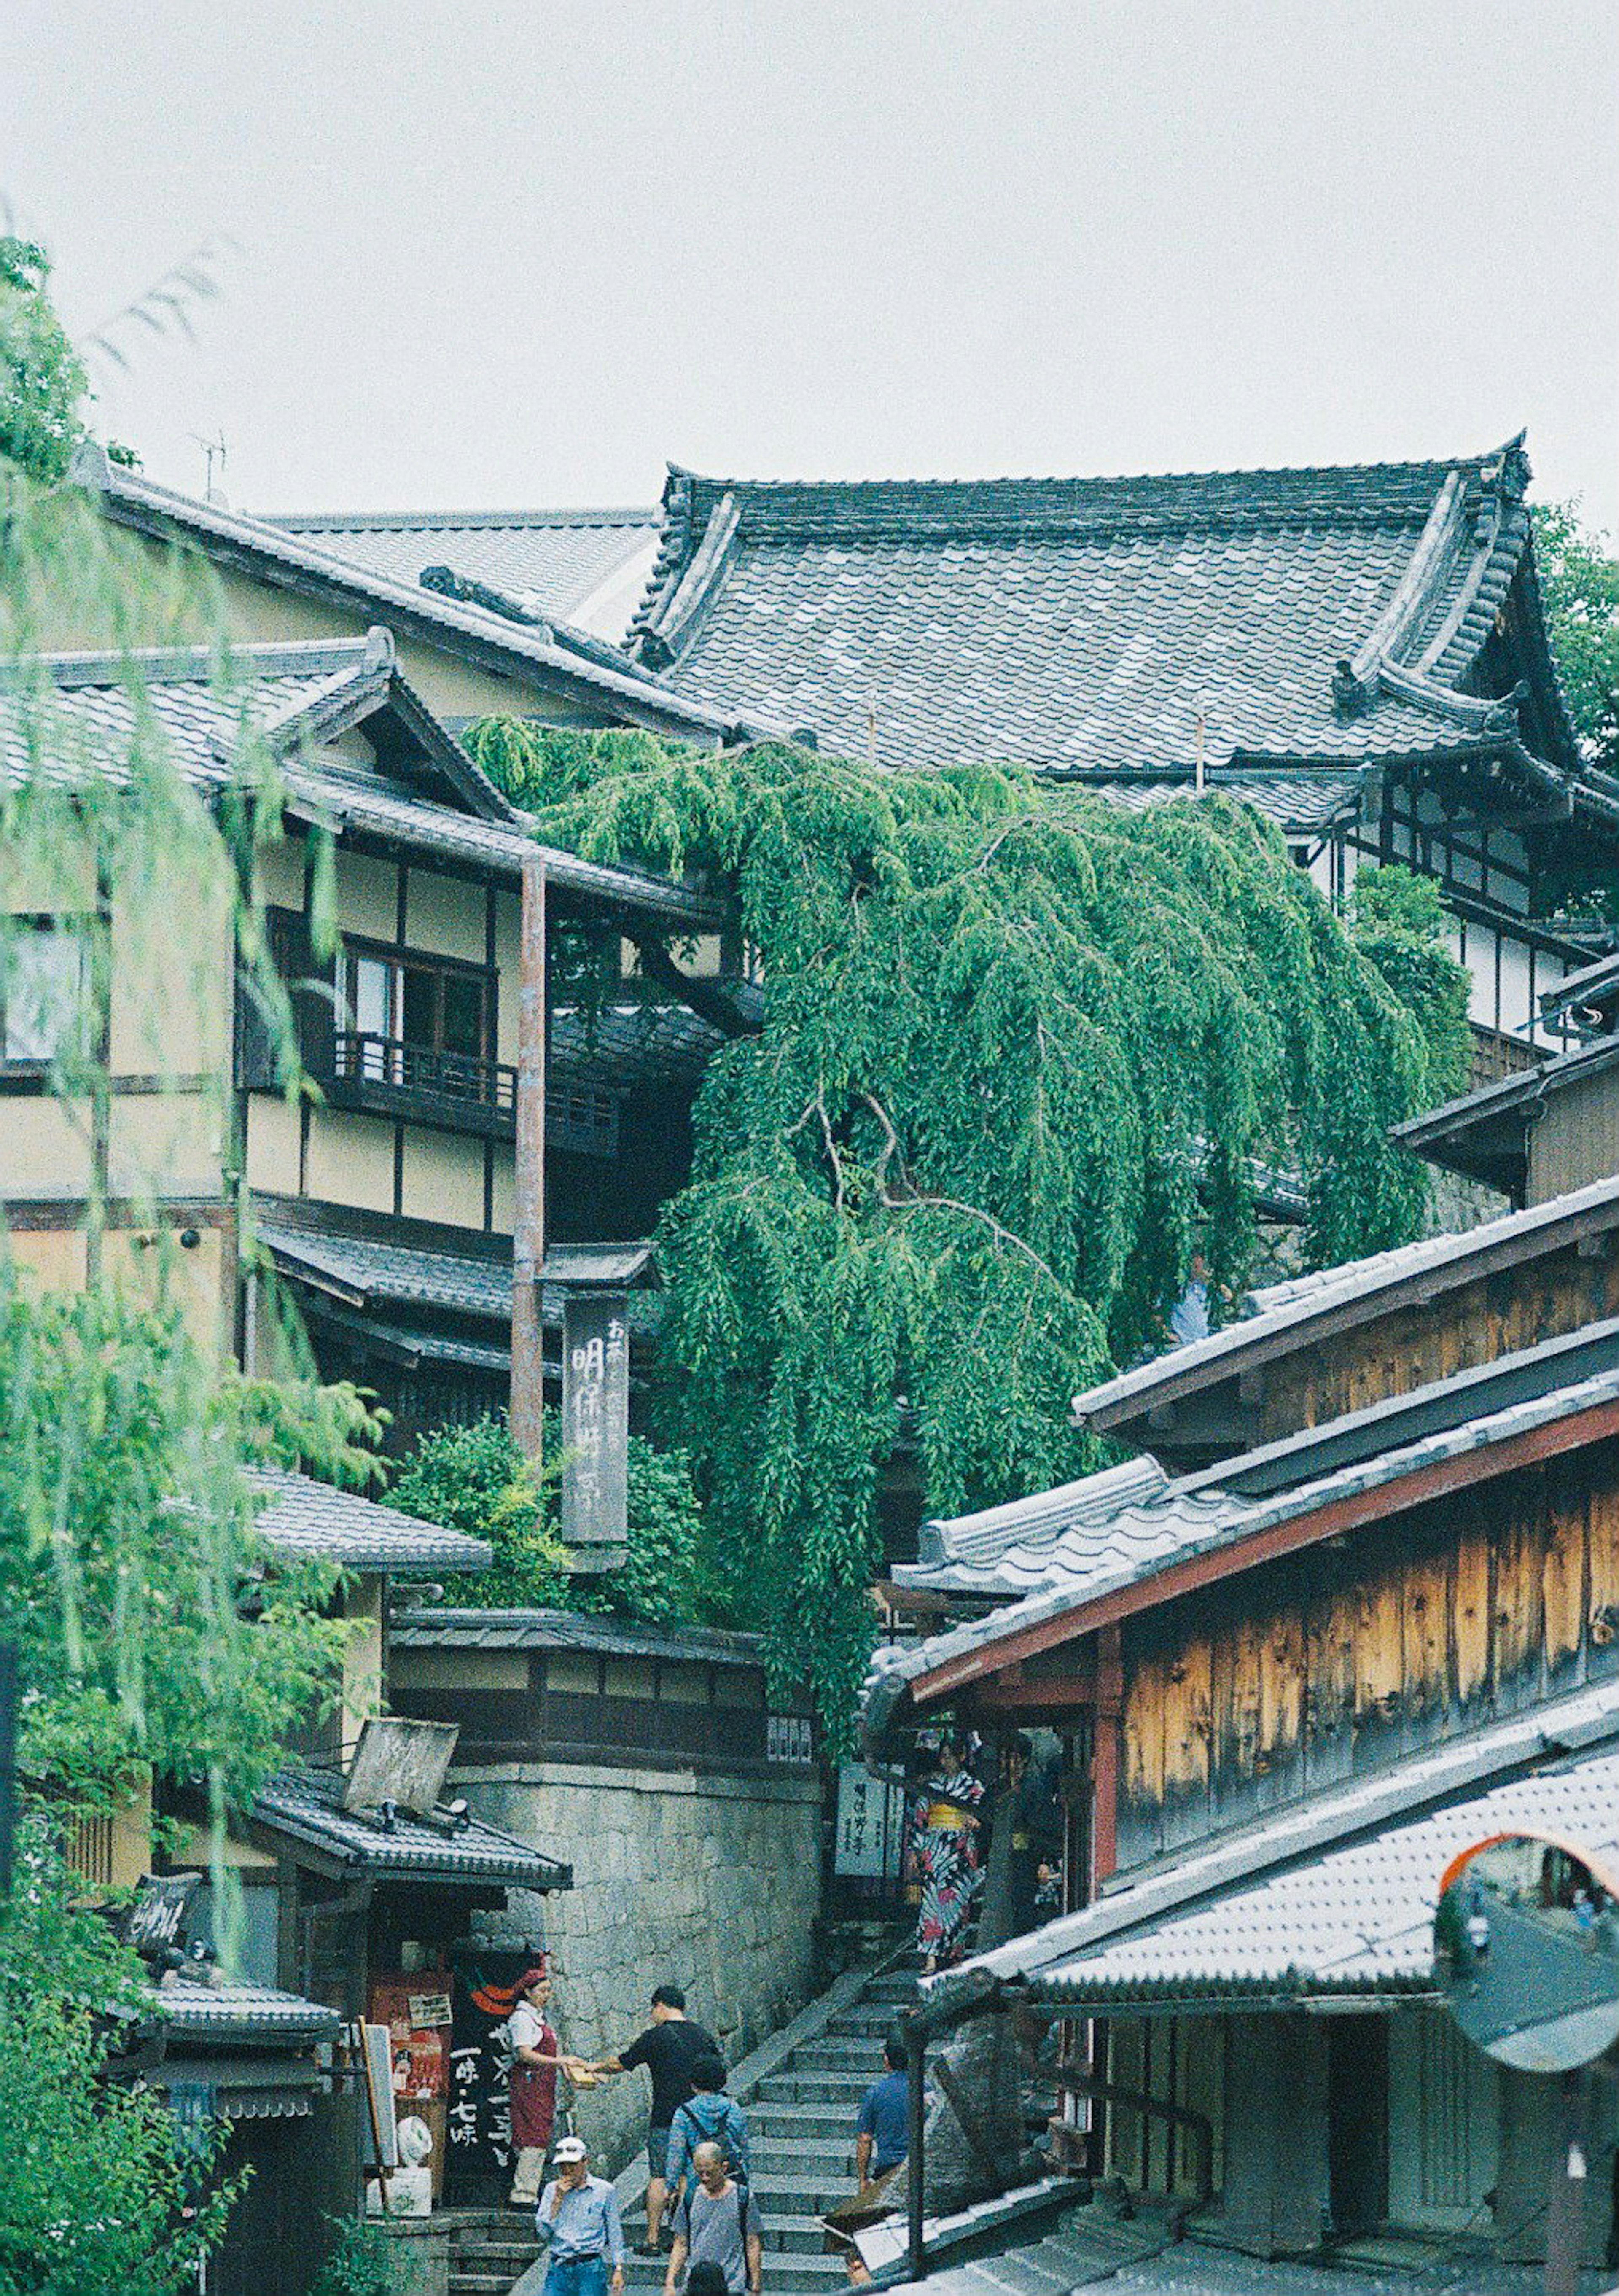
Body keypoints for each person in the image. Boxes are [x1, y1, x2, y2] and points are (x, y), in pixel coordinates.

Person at [586, 1983, 719, 2254]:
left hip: (665, 2119)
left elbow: (621, 2063)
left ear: (661, 2005)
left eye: (653, 2009)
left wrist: (593, 2067)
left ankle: (652, 2239)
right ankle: (683, 2236)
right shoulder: (704, 2036)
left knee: (659, 2176)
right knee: (688, 2177)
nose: (652, 2014)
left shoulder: (656, 2037)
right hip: (699, 2119)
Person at [507, 1962, 593, 2209]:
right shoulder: (522, 2018)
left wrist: (566, 2065)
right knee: (532, 2136)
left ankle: (528, 2191)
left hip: (542, 2083)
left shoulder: (537, 2018)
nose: (546, 1996)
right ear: (528, 1992)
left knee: (540, 2134)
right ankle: (522, 2193)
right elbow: (524, 2054)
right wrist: (559, 2061)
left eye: (548, 1991)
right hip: (529, 2082)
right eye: (542, 1991)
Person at [908, 1736, 985, 1973]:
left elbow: (983, 1814)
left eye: (949, 1756)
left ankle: (955, 1954)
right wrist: (916, 1850)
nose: (945, 1761)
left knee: (959, 1904)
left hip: (960, 1849)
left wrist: (976, 1822)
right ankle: (930, 1956)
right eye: (942, 1756)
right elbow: (921, 1818)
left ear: (962, 1757)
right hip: (935, 1847)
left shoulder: (973, 1786)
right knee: (931, 1903)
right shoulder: (932, 1785)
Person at [664, 2140, 762, 2296]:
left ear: (723, 2168)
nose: (704, 2178)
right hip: (696, 2285)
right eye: (700, 2172)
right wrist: (670, 2282)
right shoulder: (690, 2197)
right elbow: (681, 2242)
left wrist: (756, 2282)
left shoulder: (742, 2197)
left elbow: (752, 2242)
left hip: (732, 2284)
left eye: (709, 2173)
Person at [533, 2134, 625, 2296]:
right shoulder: (551, 2190)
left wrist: (618, 2267)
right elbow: (543, 2233)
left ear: (585, 2161)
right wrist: (557, 2201)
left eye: (573, 2165)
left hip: (589, 2265)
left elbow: (614, 2230)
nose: (568, 2171)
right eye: (563, 2166)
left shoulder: (604, 2190)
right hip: (560, 2264)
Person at [667, 2056, 751, 2200]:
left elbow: (676, 2153)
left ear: (693, 2085)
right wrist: (746, 2174)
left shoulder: (684, 2113)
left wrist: (670, 2186)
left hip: (698, 2179)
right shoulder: (733, 2108)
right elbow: (743, 2146)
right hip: (730, 2177)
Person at [854, 2034, 909, 2194]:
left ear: (887, 2061)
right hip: (921, 2165)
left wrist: (863, 2178)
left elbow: (865, 2139)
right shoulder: (926, 2088)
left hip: (889, 2166)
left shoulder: (876, 2092)